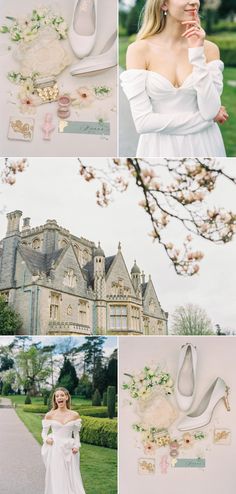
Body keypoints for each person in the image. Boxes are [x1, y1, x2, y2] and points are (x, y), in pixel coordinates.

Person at [120, 0, 228, 157]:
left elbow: (210, 109)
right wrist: (207, 120)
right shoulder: (139, 50)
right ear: (163, 4)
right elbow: (143, 122)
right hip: (158, 148)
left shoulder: (209, 49)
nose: (193, 2)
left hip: (205, 145)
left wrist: (197, 53)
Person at [41, 387, 86, 494]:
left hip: (70, 449)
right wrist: (46, 439)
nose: (59, 398)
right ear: (55, 399)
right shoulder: (50, 415)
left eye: (61, 395)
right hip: (55, 448)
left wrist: (77, 446)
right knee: (58, 476)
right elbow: (43, 433)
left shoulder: (74, 415)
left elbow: (76, 434)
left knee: (71, 476)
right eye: (57, 396)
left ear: (66, 397)